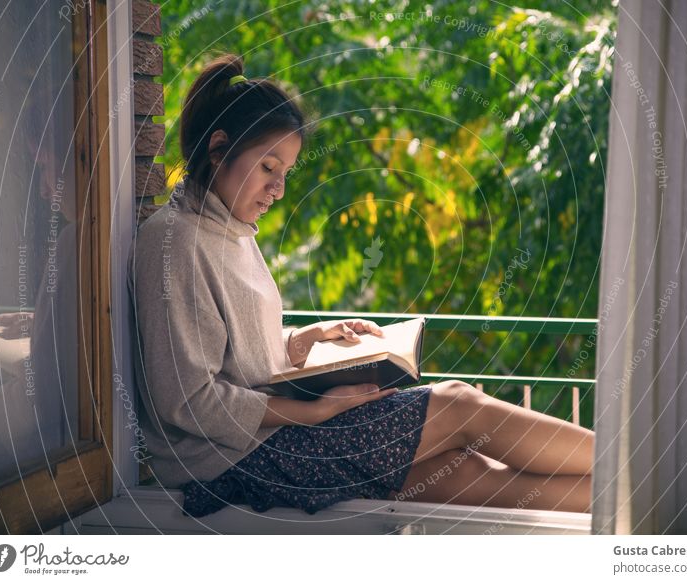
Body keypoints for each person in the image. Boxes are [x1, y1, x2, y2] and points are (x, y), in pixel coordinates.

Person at [128, 53, 594, 519]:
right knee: (461, 404)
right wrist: (314, 413)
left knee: (459, 470)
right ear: (219, 149)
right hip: (230, 462)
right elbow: (188, 401)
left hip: (265, 442)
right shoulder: (174, 244)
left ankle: (633, 498)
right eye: (269, 168)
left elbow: (236, 356)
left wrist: (300, 342)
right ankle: (638, 462)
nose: (279, 189)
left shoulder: (228, 230)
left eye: (285, 174)